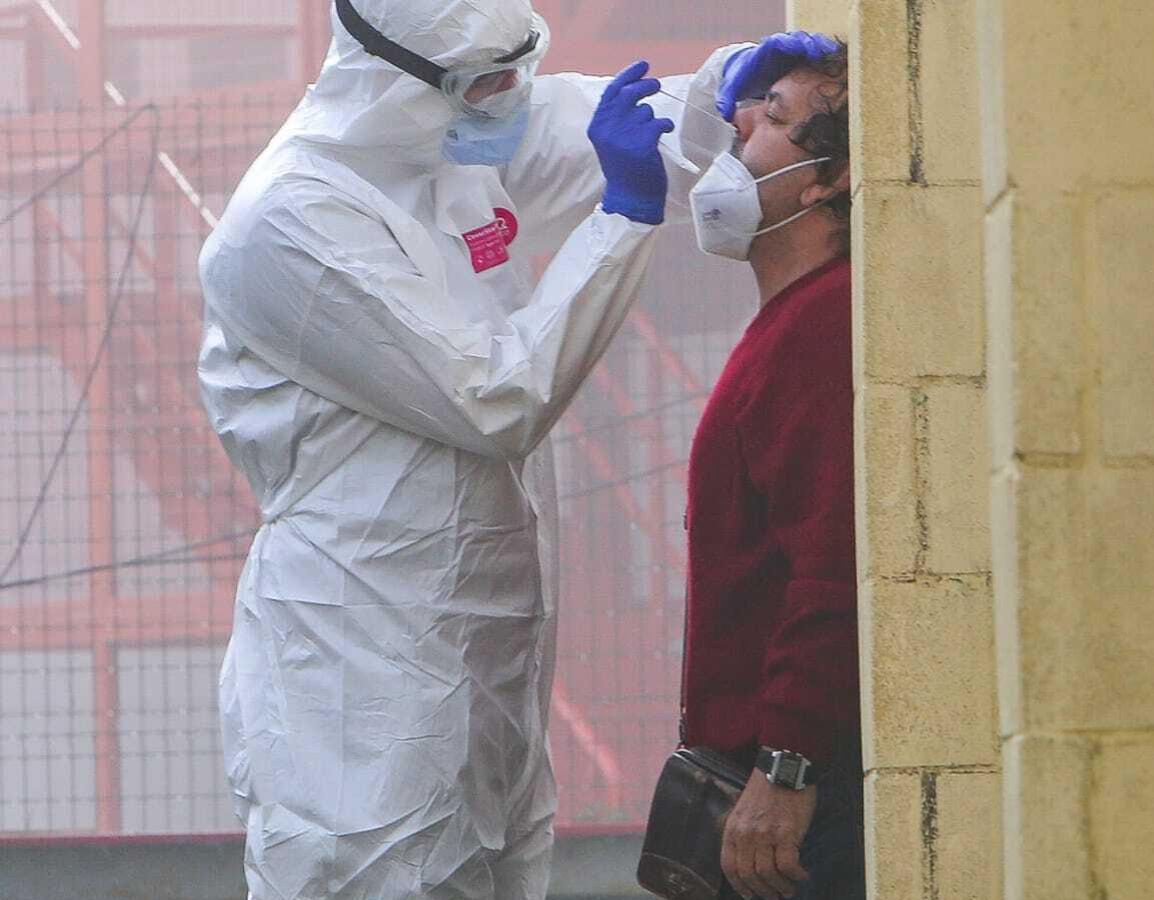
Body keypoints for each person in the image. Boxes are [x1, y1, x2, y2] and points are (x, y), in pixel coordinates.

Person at [195, 0, 833, 895]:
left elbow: (626, 122)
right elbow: (496, 397)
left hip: (486, 655)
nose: (511, 100)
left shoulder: (446, 138)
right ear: (401, 84)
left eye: (517, 69)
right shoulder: (289, 224)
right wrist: (621, 217)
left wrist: (742, 82)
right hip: (357, 671)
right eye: (487, 84)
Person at [678, 35, 860, 900]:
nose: (739, 121)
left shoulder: (824, 326)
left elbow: (831, 563)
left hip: (798, 808)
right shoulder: (793, 321)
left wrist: (786, 766)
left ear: (827, 181)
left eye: (773, 118)